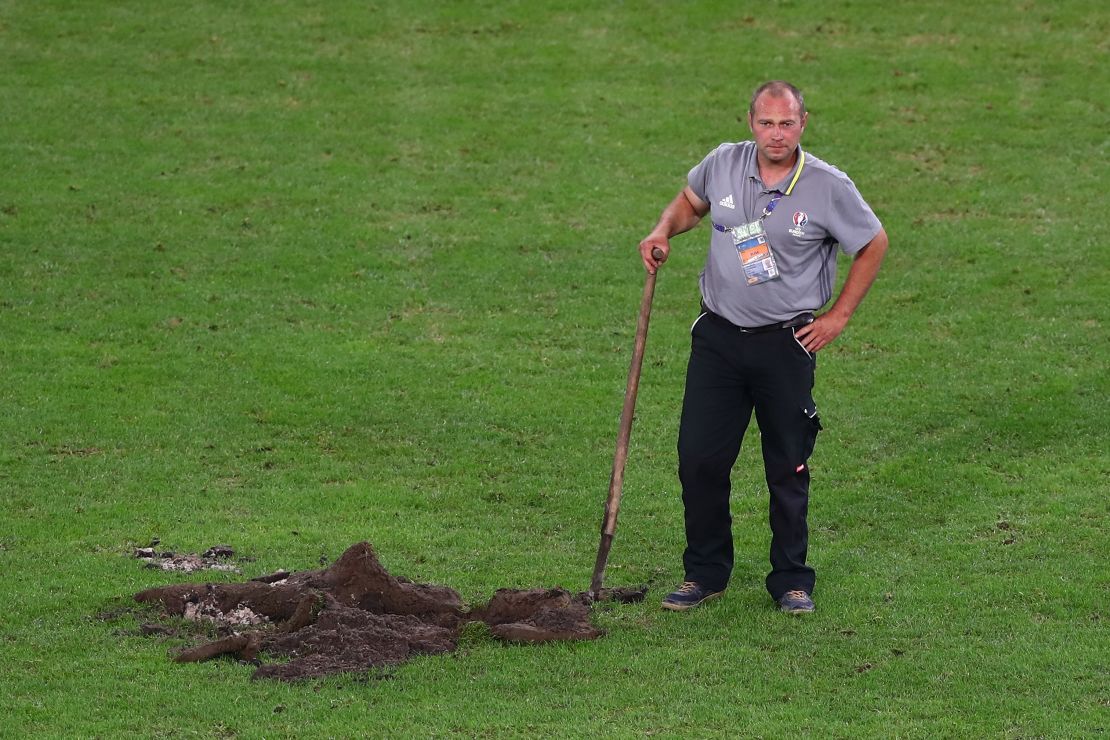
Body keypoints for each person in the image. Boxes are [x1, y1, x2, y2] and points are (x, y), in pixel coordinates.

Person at [639, 81, 889, 614]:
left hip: (785, 345)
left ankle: (792, 580)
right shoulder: (723, 163)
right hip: (718, 340)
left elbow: (872, 243)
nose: (776, 134)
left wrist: (838, 316)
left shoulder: (827, 185)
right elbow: (690, 204)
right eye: (766, 123)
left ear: (803, 124)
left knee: (788, 464)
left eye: (787, 123)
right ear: (750, 122)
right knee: (699, 459)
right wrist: (663, 230)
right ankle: (705, 572)